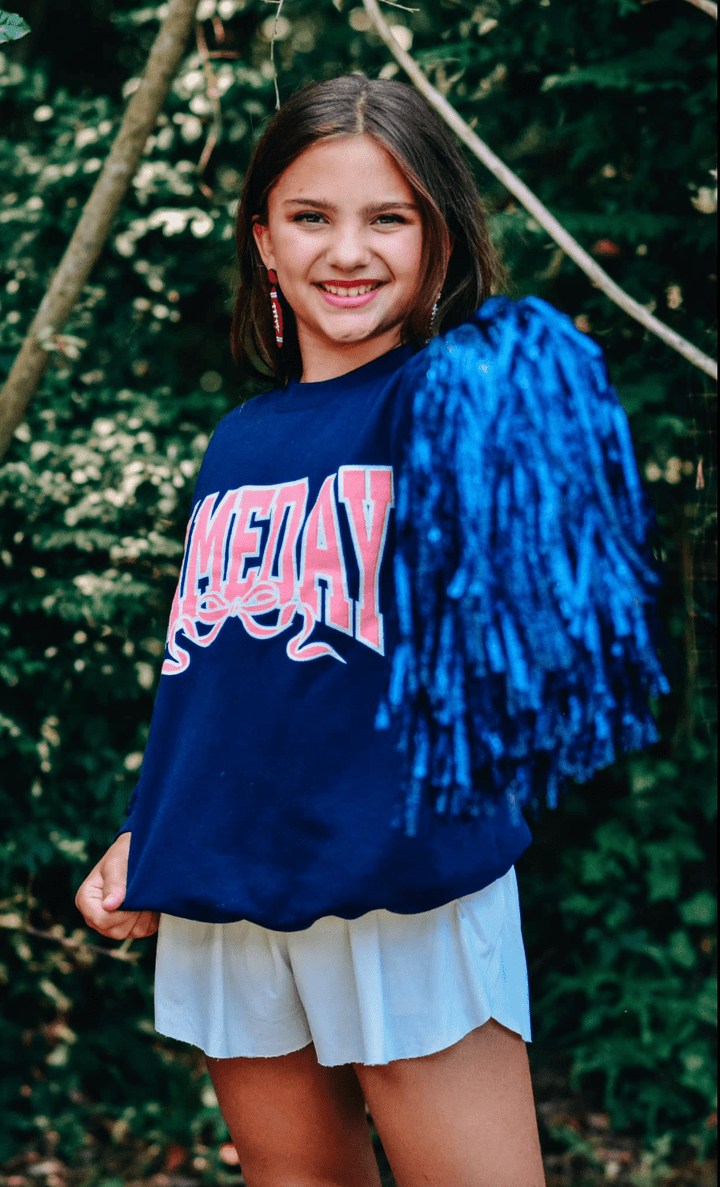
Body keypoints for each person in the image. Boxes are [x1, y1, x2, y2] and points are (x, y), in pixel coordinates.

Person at [76, 72, 667, 1187]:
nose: (347, 250)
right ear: (263, 241)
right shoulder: (238, 439)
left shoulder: (438, 402)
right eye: (311, 216)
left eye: (388, 217)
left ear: (437, 243)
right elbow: (216, 674)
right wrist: (144, 829)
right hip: (228, 880)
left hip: (402, 867)